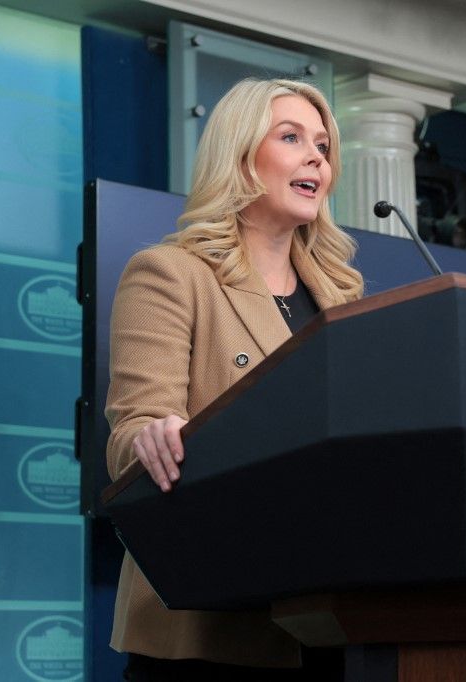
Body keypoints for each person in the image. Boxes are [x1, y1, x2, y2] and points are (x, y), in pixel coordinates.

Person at [104, 78, 363, 681]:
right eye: (291, 137)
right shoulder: (170, 274)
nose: (316, 158)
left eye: (323, 147)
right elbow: (132, 434)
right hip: (211, 626)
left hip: (333, 617)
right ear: (240, 155)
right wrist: (154, 436)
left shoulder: (344, 299)